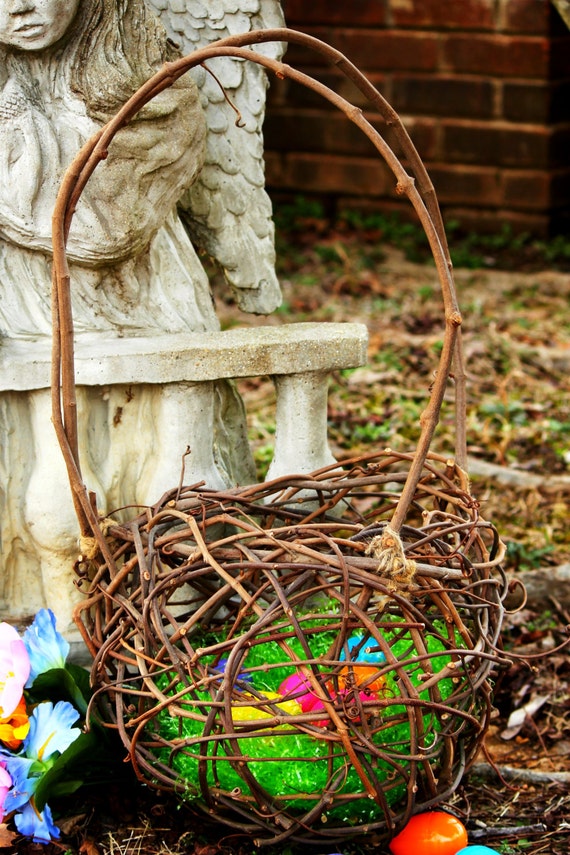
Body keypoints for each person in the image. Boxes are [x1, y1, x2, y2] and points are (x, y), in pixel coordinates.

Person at [0, 0, 257, 637]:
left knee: (153, 468)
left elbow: (106, 227)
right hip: (19, 306)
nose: (20, 6)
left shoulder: (155, 88)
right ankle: (37, 631)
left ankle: (168, 616)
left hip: (138, 301)